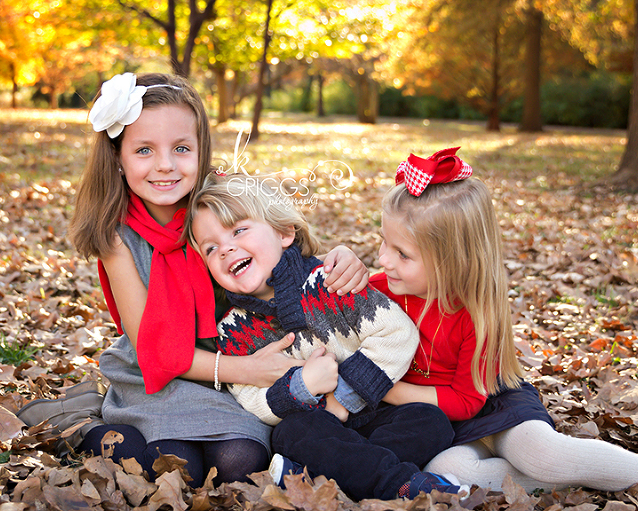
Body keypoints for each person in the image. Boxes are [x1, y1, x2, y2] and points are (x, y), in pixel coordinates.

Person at [17, 72, 369, 487]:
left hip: (236, 360)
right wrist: (247, 371)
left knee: (241, 462)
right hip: (159, 374)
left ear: (202, 151)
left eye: (181, 148)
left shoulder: (219, 206)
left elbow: (279, 251)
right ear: (117, 156)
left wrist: (336, 257)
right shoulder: (117, 238)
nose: (165, 165)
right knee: (171, 466)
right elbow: (155, 349)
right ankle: (79, 423)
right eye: (144, 150)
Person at [373, 147, 638, 494]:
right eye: (384, 243)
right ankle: (586, 475)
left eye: (402, 253)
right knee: (447, 469)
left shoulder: (475, 313)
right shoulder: (380, 290)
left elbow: (466, 401)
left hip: (491, 400)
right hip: (436, 422)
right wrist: (336, 258)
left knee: (542, 455)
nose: (382, 259)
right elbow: (316, 287)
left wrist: (378, 385)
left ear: (454, 261)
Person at [187, 173, 464, 502]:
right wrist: (301, 385)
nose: (226, 248)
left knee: (430, 421)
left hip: (368, 414)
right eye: (211, 247)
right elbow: (252, 401)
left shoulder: (330, 280)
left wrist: (342, 397)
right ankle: (400, 483)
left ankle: (311, 477)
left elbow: (397, 335)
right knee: (295, 432)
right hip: (311, 429)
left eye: (239, 230)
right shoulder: (232, 329)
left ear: (284, 232)